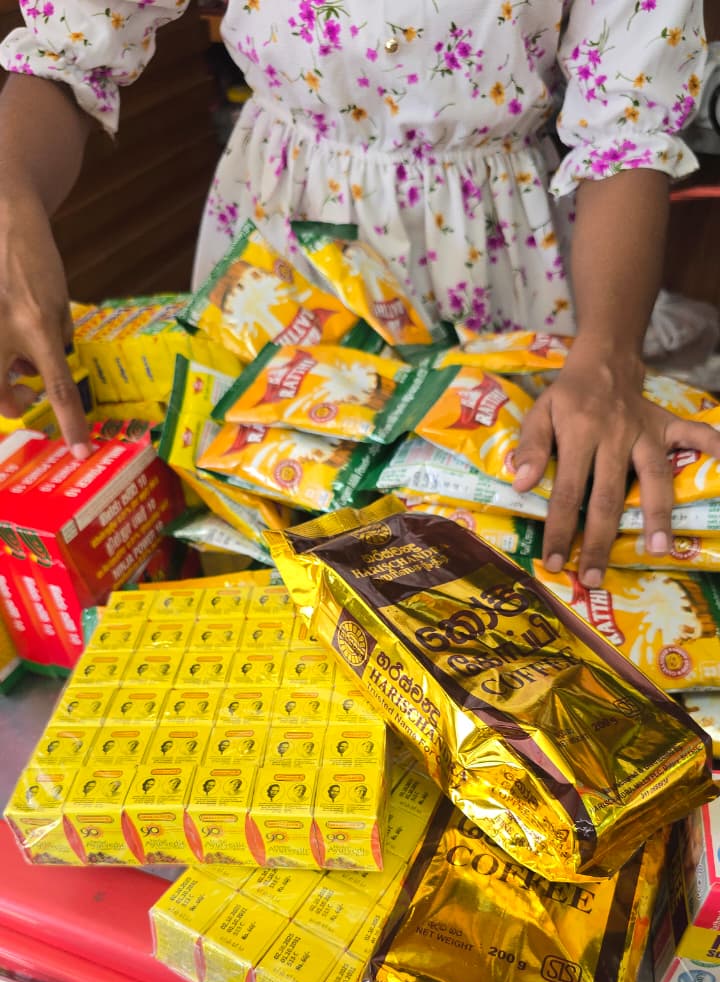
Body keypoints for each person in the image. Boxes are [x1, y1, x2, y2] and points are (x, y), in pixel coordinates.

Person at [0, 2, 717, 583]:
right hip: (277, 248)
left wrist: (608, 353)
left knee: (476, 570)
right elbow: (70, 50)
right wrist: (8, 198)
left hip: (493, 253)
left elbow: (626, 129)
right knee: (268, 551)